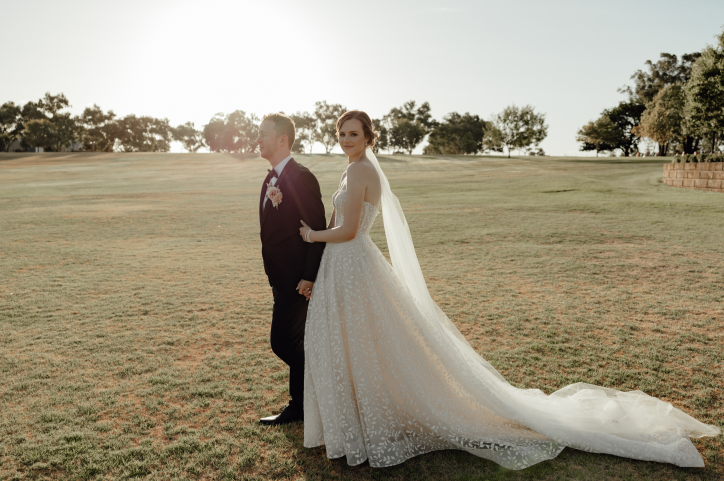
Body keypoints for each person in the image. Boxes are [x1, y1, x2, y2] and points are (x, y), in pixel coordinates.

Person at [298, 110, 720, 469]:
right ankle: (370, 415)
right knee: (366, 341)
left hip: (353, 262)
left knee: (368, 341)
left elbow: (350, 230)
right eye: (341, 133)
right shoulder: (358, 168)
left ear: (368, 137)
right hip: (351, 267)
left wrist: (311, 235)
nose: (345, 139)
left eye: (353, 133)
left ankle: (374, 418)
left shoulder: (360, 170)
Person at [256, 113, 326, 425]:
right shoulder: (271, 178)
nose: (258, 140)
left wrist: (309, 276)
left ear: (283, 139)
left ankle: (318, 389)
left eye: (263, 134)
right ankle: (300, 405)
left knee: (282, 343)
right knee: (294, 341)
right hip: (280, 277)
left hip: (298, 280)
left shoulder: (301, 178)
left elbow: (316, 229)